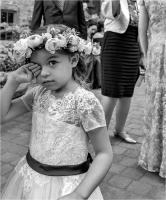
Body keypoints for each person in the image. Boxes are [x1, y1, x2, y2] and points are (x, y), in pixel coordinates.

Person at [0, 24, 113, 200]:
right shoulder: (38, 93)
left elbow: (105, 153)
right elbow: (2, 116)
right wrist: (13, 81)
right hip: (32, 179)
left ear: (74, 60)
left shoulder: (85, 102)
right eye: (37, 66)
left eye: (52, 62)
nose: (44, 73)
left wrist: (79, 194)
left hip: (68, 187)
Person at [100, 0, 140, 143]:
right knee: (111, 92)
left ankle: (120, 130)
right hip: (115, 43)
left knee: (127, 92)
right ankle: (100, 135)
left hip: (132, 44)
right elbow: (111, 13)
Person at [138, 0, 166, 178]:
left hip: (156, 52)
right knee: (157, 103)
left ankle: (155, 157)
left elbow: (142, 30)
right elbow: (142, 30)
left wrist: (147, 55)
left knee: (157, 103)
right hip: (156, 55)